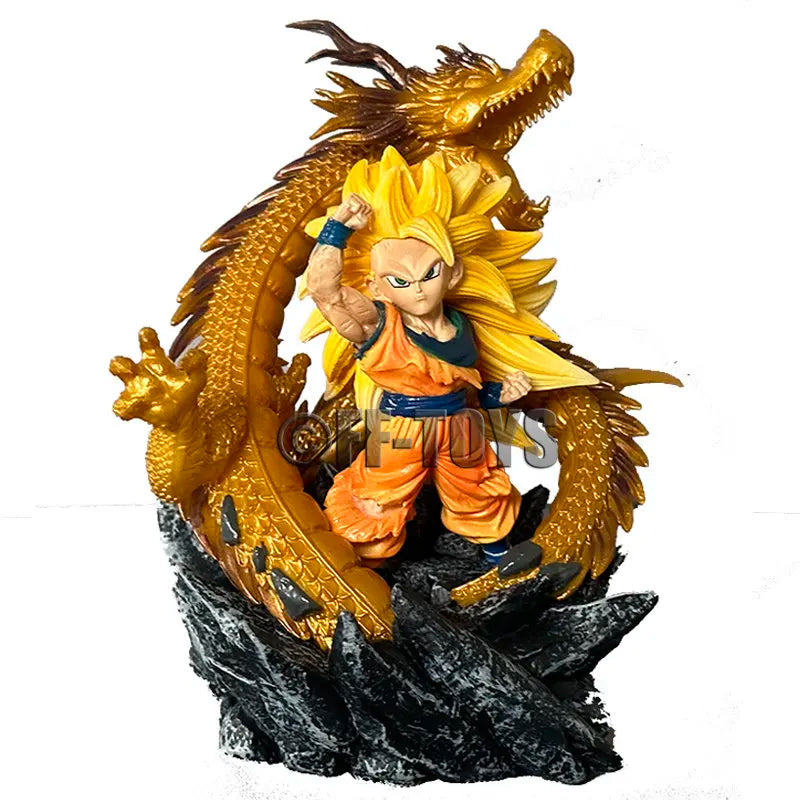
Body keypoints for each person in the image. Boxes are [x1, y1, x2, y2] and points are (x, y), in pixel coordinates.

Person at [302, 146, 596, 566]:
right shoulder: (379, 325)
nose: (418, 289)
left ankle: (498, 560)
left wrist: (499, 394)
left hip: (459, 423)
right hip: (401, 426)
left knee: (479, 490)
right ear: (378, 287)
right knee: (379, 498)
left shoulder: (463, 326)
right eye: (400, 281)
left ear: (453, 273)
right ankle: (360, 568)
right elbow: (325, 292)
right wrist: (336, 230)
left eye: (429, 274)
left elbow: (466, 385)